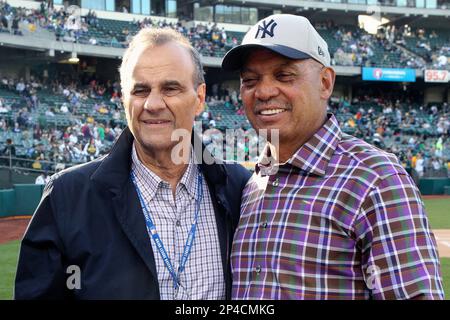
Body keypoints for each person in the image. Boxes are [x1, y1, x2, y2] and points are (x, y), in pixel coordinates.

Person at [15, 28, 250, 299]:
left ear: (199, 98)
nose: (152, 103)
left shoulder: (238, 188)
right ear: (124, 100)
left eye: (170, 88)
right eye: (140, 90)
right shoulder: (67, 197)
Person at [222, 14, 444, 300]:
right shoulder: (254, 184)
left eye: (284, 75)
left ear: (325, 83)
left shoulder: (376, 179)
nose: (263, 91)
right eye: (250, 80)